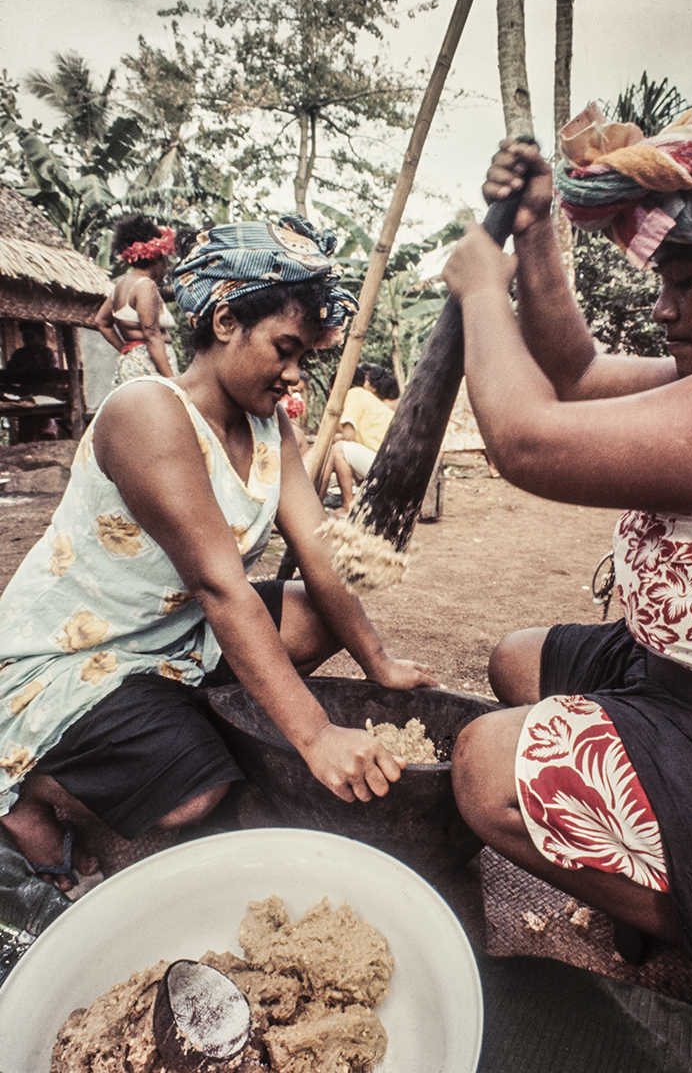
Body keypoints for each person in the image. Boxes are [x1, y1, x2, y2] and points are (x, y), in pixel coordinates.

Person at [442, 70, 692, 1029]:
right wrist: (534, 236)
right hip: (675, 674)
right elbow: (571, 374)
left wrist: (477, 290)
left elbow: (529, 438)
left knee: (484, 766)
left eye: (682, 283)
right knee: (514, 660)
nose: (660, 311)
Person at [0, 215, 434, 894]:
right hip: (76, 657)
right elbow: (219, 586)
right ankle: (29, 784)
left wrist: (379, 662)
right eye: (283, 348)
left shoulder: (269, 425)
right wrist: (315, 737)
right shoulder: (147, 414)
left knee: (308, 616)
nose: (293, 375)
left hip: (172, 640)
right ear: (226, 321)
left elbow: (318, 553)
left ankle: (172, 731)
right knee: (190, 798)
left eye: (304, 359)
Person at [93, 213, 178, 384]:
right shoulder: (146, 285)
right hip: (150, 365)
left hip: (134, 363)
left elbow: (101, 321)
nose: (166, 267)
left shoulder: (120, 286)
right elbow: (152, 335)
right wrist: (173, 381)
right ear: (157, 258)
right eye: (165, 261)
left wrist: (126, 349)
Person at [323, 364, 396, 515]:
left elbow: (348, 437)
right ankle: (318, 498)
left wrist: (329, 438)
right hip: (390, 466)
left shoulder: (355, 394)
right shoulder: (366, 398)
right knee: (340, 450)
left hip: (387, 468)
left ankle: (347, 505)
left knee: (338, 449)